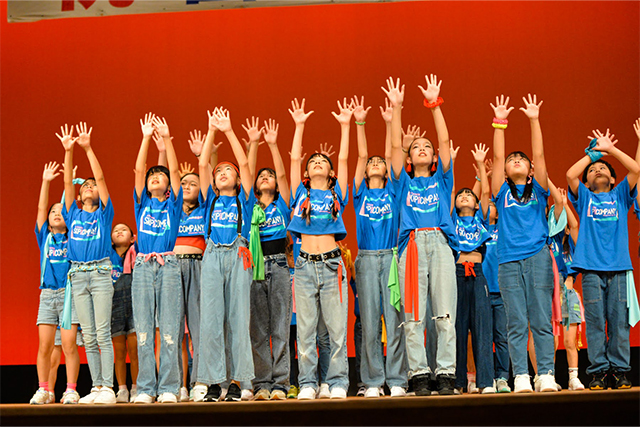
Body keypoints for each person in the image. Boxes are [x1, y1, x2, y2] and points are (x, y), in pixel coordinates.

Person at [384, 75, 457, 396]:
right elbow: (394, 151)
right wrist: (397, 107)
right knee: (413, 316)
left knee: (444, 314)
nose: (424, 149)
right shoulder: (403, 183)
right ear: (410, 159)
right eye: (417, 147)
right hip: (412, 246)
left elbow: (445, 141)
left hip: (439, 243)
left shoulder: (442, 180)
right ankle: (419, 374)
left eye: (427, 147)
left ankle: (446, 372)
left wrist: (434, 105)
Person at [490, 94, 556, 393]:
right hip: (508, 261)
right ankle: (520, 376)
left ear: (530, 171)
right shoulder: (501, 190)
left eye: (521, 159)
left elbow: (539, 155)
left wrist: (534, 119)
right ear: (505, 171)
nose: (515, 160)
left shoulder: (539, 188)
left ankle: (546, 373)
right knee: (516, 322)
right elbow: (498, 155)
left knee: (541, 319)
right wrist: (500, 123)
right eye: (511, 160)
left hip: (537, 256)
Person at [287, 97, 352, 400]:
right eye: (312, 161)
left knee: (336, 330)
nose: (316, 162)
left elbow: (344, 160)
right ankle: (308, 383)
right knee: (306, 331)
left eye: (322, 161)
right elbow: (293, 161)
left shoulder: (337, 193)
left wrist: (345, 126)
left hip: (331, 265)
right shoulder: (300, 194)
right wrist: (299, 126)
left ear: (330, 173)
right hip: (303, 266)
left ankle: (337, 382)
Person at [566, 127, 639, 390]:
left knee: (619, 322)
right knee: (596, 322)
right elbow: (570, 175)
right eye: (593, 170)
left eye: (603, 168)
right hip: (591, 270)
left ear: (613, 179)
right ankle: (598, 372)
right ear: (586, 182)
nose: (597, 170)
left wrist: (611, 150)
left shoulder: (619, 195)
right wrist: (593, 156)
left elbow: (636, 170)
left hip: (619, 268)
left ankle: (619, 371)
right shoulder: (584, 198)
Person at [197, 107, 255, 402]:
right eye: (219, 171)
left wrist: (229, 130)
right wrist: (211, 130)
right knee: (210, 321)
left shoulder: (244, 198)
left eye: (227, 171)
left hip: (237, 254)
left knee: (238, 319)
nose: (221, 173)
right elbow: (203, 163)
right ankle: (212, 381)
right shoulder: (210, 199)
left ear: (238, 180)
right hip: (212, 256)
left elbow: (244, 163)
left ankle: (237, 380)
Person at [351, 95, 407, 398]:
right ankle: (373, 381)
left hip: (391, 258)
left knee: (394, 320)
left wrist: (389, 122)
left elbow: (390, 153)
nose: (375, 163)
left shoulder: (394, 192)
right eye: (371, 163)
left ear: (386, 172)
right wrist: (360, 124)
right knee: (370, 323)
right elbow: (362, 156)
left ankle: (397, 379)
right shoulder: (359, 193)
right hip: (366, 260)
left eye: (379, 163)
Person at [60, 122, 117, 404]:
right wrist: (68, 150)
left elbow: (102, 178)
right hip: (78, 276)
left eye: (92, 186)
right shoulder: (72, 214)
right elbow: (66, 185)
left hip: (100, 273)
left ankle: (109, 387)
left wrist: (87, 148)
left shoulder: (104, 215)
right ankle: (96, 386)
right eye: (85, 186)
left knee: (103, 333)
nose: (89, 188)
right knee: (89, 335)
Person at [131, 114, 183, 403]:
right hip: (142, 266)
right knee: (143, 331)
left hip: (168, 265)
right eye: (152, 176)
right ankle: (146, 388)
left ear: (168, 185)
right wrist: (144, 139)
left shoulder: (173, 205)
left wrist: (166, 138)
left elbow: (174, 170)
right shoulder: (142, 203)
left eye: (159, 176)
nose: (154, 177)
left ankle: (168, 388)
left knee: (170, 330)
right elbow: (139, 170)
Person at [244, 118, 293, 401]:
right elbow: (248, 172)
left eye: (269, 175)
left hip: (280, 265)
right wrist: (253, 144)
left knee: (280, 328)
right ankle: (262, 383)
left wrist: (273, 145)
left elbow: (284, 176)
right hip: (255, 268)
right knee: (259, 329)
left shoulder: (282, 205)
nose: (265, 177)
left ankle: (281, 384)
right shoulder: (251, 206)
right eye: (262, 176)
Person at [31, 161, 81, 405]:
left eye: (62, 211)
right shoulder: (45, 236)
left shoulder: (74, 236)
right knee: (45, 346)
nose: (57, 213)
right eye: (53, 212)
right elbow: (41, 207)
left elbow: (70, 205)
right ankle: (44, 389)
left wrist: (68, 182)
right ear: (48, 221)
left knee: (70, 346)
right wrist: (46, 181)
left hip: (69, 295)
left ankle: (70, 389)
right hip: (48, 295)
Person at [452, 144, 496, 394]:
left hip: (478, 275)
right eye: (461, 195)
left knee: (481, 328)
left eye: (470, 194)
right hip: (457, 275)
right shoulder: (452, 220)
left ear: (478, 205)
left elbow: (486, 192)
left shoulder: (481, 219)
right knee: (458, 329)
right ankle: (458, 382)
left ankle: (486, 381)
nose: (465, 196)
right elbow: (450, 191)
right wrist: (452, 163)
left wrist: (481, 166)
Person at [110, 223, 139, 402]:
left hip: (135, 304)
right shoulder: (107, 254)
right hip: (115, 307)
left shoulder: (137, 252)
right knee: (119, 352)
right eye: (115, 230)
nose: (119, 231)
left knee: (135, 351)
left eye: (124, 230)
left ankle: (136, 387)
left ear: (132, 238)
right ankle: (122, 389)